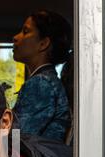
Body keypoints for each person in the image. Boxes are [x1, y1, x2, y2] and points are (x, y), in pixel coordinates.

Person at [12, 10, 72, 142]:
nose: (15, 37)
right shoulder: (46, 81)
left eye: (25, 31)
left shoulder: (41, 84)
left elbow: (15, 140)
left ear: (43, 44)